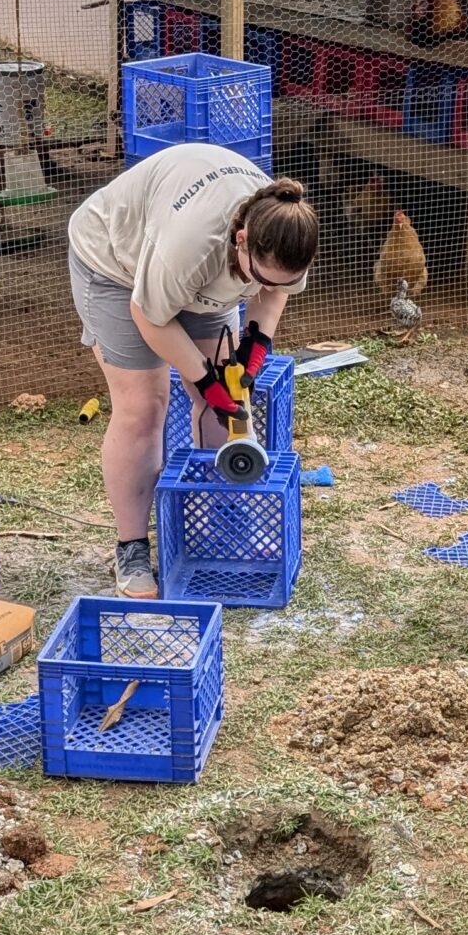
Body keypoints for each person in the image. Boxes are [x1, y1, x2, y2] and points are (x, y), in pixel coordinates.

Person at [66, 142, 319, 597]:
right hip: (115, 265)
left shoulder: (288, 232)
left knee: (227, 398)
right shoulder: (191, 245)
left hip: (207, 280)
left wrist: (255, 347)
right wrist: (204, 377)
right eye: (260, 277)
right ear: (242, 239)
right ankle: (132, 548)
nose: (266, 287)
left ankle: (221, 520)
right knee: (144, 406)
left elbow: (274, 290)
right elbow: (149, 314)